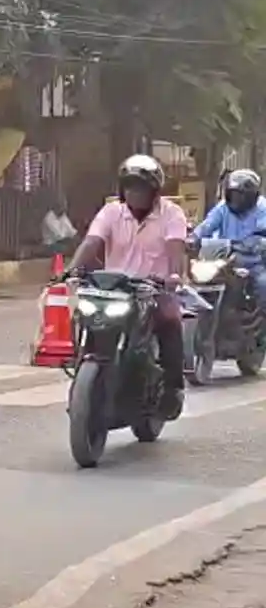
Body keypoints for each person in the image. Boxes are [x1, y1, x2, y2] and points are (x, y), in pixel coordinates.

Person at [67, 154, 187, 418]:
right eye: (130, 187)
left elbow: (176, 249)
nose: (135, 193)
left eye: (141, 187)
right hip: (113, 290)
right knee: (83, 317)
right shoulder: (111, 212)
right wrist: (71, 271)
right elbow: (91, 243)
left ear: (154, 191)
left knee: (171, 318)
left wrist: (174, 276)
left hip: (153, 290)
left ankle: (173, 388)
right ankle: (82, 377)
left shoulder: (172, 214)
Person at [191, 169, 266, 296]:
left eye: (241, 195)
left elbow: (259, 237)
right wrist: (192, 239)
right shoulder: (223, 208)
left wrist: (247, 244)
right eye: (233, 194)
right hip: (223, 262)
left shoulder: (262, 208)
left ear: (252, 196)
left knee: (263, 284)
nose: (236, 199)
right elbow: (207, 226)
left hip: (254, 263)